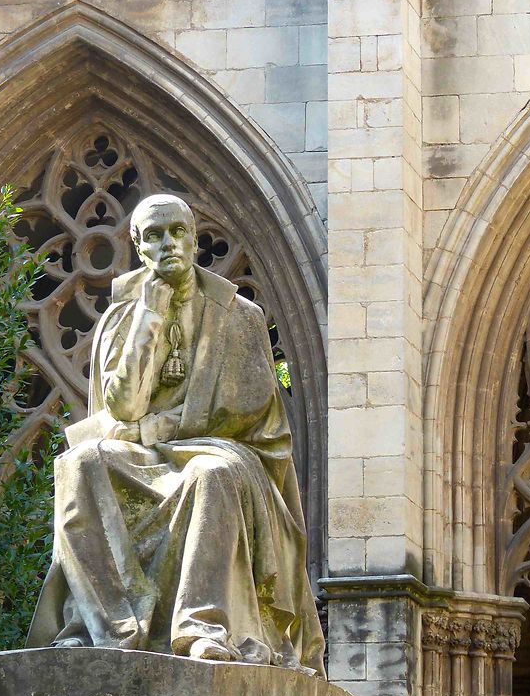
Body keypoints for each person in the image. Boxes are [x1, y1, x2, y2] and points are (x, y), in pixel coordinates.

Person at [27, 194, 326, 672]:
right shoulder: (122, 317)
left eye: (177, 232)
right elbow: (123, 405)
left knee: (212, 473)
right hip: (144, 452)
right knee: (81, 463)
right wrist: (152, 314)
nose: (168, 244)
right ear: (138, 247)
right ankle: (110, 627)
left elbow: (248, 409)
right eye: (153, 235)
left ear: (193, 237)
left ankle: (202, 627)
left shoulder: (239, 316)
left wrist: (160, 425)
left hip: (223, 452)